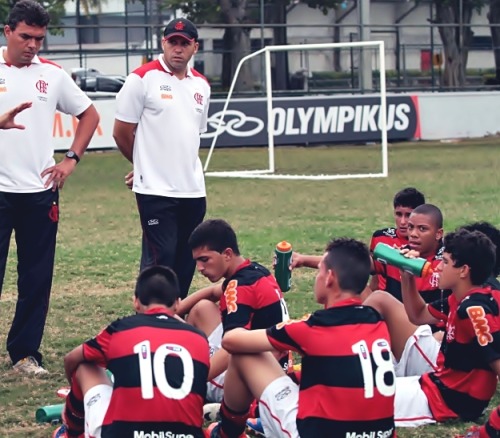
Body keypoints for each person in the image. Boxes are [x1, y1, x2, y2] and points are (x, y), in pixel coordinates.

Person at [207, 238, 395, 438]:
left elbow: (231, 341)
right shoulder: (377, 322)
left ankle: (227, 433)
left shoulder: (313, 328)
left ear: (329, 277)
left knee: (243, 354)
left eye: (320, 270)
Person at [0, 0, 100, 375]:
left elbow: (89, 114)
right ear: (8, 31)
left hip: (40, 192)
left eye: (39, 39)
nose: (32, 45)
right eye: (26, 36)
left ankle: (25, 354)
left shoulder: (53, 75)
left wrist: (71, 159)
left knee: (37, 277)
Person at [113, 17, 210, 299]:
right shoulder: (141, 78)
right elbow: (121, 133)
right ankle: (149, 318)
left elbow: (193, 134)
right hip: (155, 190)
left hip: (193, 189)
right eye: (172, 42)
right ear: (163, 43)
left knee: (187, 256)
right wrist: (143, 165)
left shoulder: (201, 85)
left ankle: (174, 317)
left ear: (195, 47)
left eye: (184, 43)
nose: (177, 49)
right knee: (160, 257)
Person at [52, 265, 210, 438]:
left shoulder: (121, 329)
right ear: (178, 303)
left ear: (135, 301)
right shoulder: (200, 339)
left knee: (84, 366)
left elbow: (71, 359)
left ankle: (72, 431)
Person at [389, 229, 500, 428]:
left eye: (446, 262)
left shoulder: (474, 310)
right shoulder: (464, 297)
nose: (438, 267)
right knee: (367, 391)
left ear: (464, 270)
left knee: (363, 403)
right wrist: (406, 275)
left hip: (447, 403)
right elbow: (418, 315)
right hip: (437, 385)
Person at [176, 219, 289, 405]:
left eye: (204, 260)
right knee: (201, 309)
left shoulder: (239, 287)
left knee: (180, 368)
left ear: (227, 254)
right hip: (276, 367)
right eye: (196, 261)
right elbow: (212, 292)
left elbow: (233, 347)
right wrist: (177, 310)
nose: (200, 268)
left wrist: (191, 380)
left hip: (254, 382)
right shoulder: (255, 271)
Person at [369, 187, 426, 292]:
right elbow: (375, 279)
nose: (403, 222)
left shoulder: (426, 244)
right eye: (399, 214)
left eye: (408, 215)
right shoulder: (381, 238)